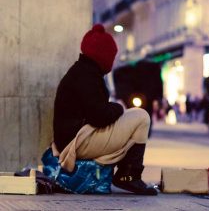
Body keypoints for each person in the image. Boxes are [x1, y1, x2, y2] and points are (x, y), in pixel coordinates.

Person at [52, 24, 157, 195]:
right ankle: (129, 175)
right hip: (76, 142)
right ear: (103, 55)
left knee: (134, 114)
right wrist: (118, 108)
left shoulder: (83, 71)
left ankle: (127, 172)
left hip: (76, 137)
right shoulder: (86, 75)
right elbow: (99, 115)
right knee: (141, 116)